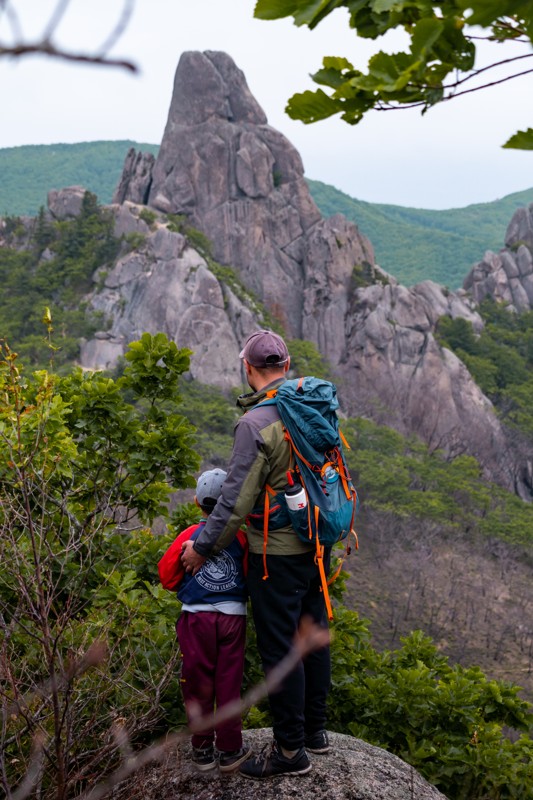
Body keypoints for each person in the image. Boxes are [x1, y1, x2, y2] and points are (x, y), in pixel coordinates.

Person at [181, 330, 332, 780]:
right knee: (313, 632)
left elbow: (234, 501)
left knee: (281, 647)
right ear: (286, 365)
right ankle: (315, 733)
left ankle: (289, 752)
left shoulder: (256, 424)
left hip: (276, 554)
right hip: (317, 541)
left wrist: (202, 549)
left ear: (248, 369)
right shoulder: (314, 405)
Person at [158, 468, 251, 773]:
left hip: (196, 619)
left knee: (197, 682)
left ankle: (201, 750)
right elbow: (250, 576)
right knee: (229, 681)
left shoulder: (188, 536)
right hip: (232, 620)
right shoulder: (240, 535)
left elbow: (167, 576)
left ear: (197, 501)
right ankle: (229, 749)